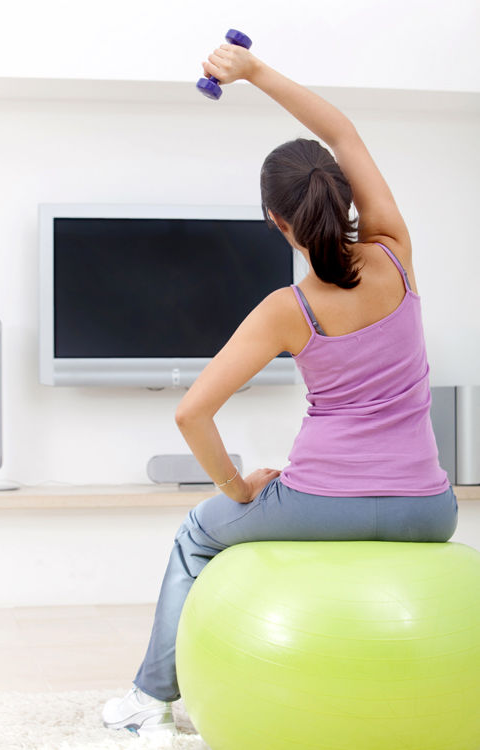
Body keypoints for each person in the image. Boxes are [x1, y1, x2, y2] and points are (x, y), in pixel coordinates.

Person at [102, 43, 458, 736]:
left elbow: (192, 411)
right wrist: (256, 72)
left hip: (323, 502)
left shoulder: (286, 310)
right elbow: (342, 132)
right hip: (429, 508)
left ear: (276, 223)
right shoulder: (396, 253)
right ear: (346, 197)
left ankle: (149, 701)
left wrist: (238, 490)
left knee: (195, 536)